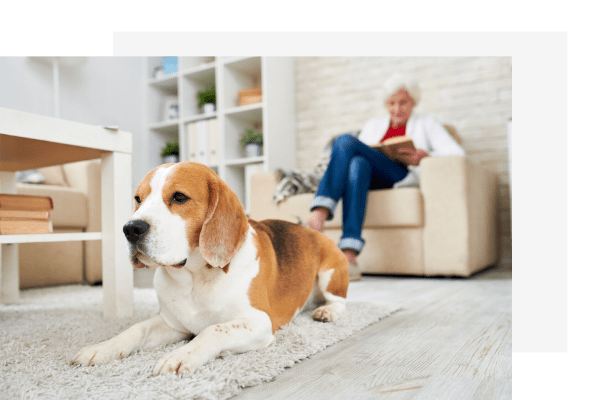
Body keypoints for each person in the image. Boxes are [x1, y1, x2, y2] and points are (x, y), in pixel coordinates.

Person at [306, 73, 465, 281]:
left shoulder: (427, 123)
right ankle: (349, 257)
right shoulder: (373, 125)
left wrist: (426, 156)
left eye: (403, 102)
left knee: (345, 141)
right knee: (358, 164)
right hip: (371, 179)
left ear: (413, 102)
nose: (397, 109)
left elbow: (458, 154)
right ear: (385, 104)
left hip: (400, 176)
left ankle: (321, 209)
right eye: (391, 103)